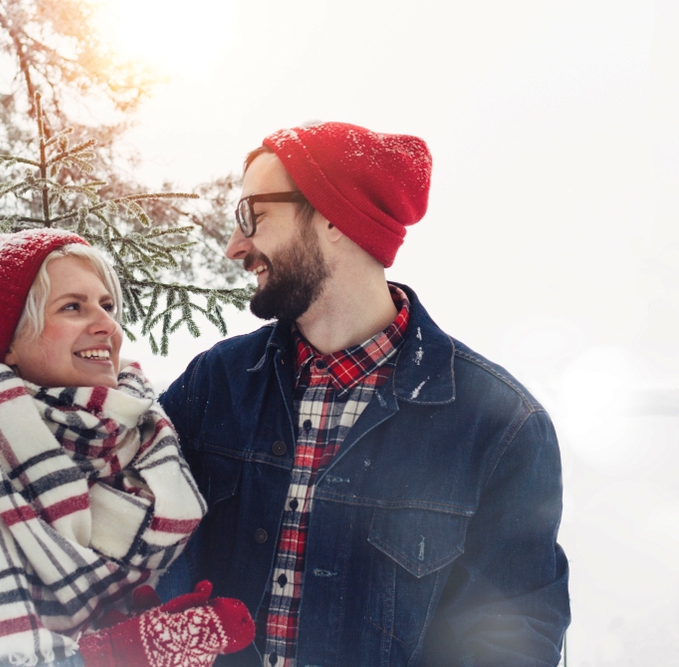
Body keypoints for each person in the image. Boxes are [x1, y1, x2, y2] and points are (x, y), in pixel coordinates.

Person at [156, 122, 570, 667]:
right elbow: (128, 525)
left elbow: (514, 639)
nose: (236, 245)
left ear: (333, 216)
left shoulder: (499, 424)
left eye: (251, 215)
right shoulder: (215, 384)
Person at [0, 230, 254, 667]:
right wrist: (106, 657)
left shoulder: (157, 475)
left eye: (107, 306)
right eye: (73, 307)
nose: (107, 324)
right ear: (8, 342)